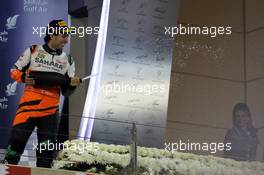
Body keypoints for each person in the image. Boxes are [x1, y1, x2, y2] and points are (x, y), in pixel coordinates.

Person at [3, 19, 81, 168]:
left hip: (50, 112)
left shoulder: (68, 60)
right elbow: (14, 71)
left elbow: (67, 93)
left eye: (67, 35)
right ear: (52, 35)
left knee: (46, 156)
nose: (66, 39)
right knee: (14, 148)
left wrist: (72, 86)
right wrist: (24, 77)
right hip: (28, 107)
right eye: (64, 35)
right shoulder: (33, 50)